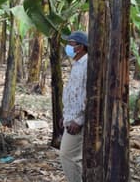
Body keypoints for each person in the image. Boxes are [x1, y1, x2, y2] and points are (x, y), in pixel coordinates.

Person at [59, 31, 88, 182]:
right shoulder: (77, 63)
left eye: (71, 43)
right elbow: (74, 93)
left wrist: (80, 119)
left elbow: (91, 95)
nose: (67, 47)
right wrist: (66, 115)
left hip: (78, 121)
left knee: (67, 155)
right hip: (71, 118)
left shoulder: (87, 64)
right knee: (76, 157)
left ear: (80, 47)